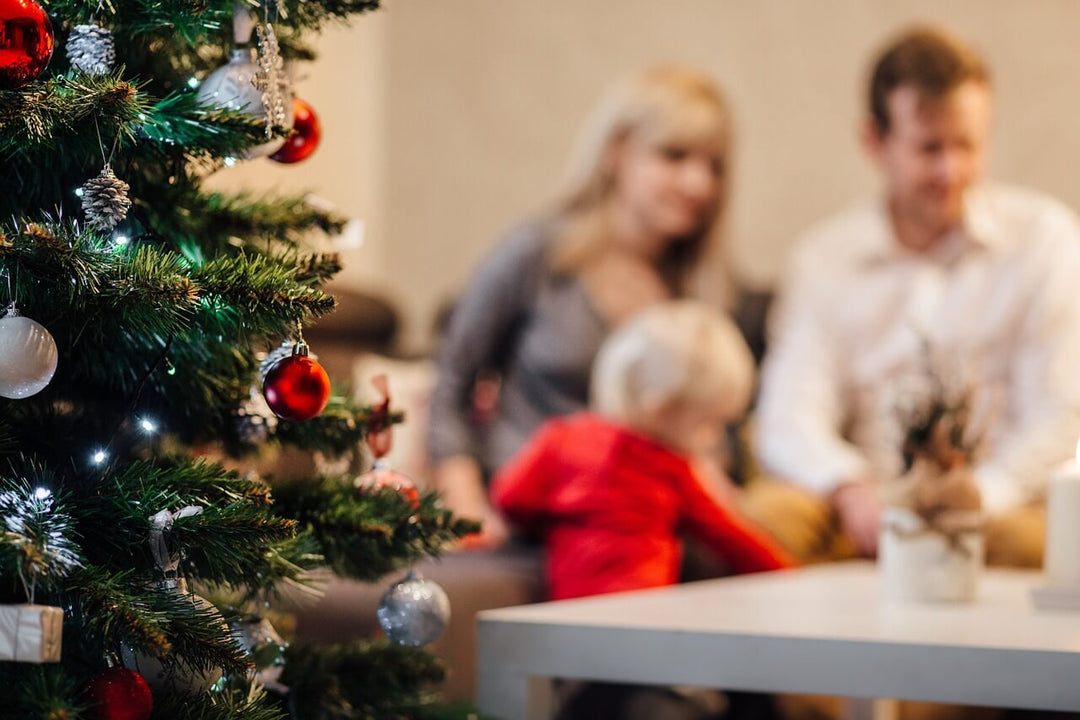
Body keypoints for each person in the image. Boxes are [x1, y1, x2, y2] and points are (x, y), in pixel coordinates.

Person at [753, 26, 1080, 567]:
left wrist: (979, 495)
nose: (951, 171)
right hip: (860, 509)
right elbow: (790, 413)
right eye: (929, 148)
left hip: (1000, 509)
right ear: (874, 141)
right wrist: (849, 487)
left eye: (967, 145)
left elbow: (1063, 412)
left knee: (1050, 544)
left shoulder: (1044, 239)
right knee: (766, 519)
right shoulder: (823, 259)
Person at [427, 67, 736, 548]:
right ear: (616, 152)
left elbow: (711, 433)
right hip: (533, 511)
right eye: (674, 156)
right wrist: (468, 509)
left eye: (714, 165)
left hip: (643, 518)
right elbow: (453, 380)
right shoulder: (537, 252)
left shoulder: (697, 291)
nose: (699, 183)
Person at [492, 301, 793, 720]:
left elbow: (510, 497)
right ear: (663, 409)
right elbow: (731, 536)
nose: (712, 440)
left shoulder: (560, 439)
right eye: (709, 424)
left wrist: (546, 524)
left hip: (573, 631)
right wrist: (791, 578)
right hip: (645, 629)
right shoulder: (672, 467)